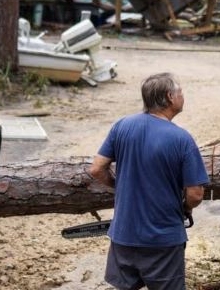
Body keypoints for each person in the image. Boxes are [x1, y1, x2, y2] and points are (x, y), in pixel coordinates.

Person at [88, 73, 209, 290]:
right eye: (180, 92)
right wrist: (184, 208)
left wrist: (121, 185)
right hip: (162, 242)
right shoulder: (182, 139)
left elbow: (97, 168)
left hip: (123, 236)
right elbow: (195, 194)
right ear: (170, 97)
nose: (183, 96)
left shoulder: (122, 126)